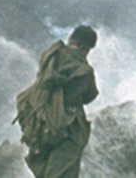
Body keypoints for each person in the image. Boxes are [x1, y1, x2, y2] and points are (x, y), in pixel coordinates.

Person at [14, 25, 99, 178]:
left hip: (39, 124)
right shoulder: (83, 71)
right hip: (66, 128)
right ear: (87, 48)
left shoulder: (49, 56)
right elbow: (90, 96)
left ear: (70, 39)